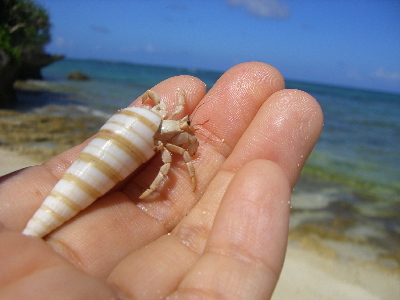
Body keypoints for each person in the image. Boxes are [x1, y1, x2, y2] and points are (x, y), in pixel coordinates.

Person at [0, 62, 323, 299]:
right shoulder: (167, 140)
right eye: (181, 120)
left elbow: (172, 116)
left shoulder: (168, 127)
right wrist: (158, 186)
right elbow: (173, 150)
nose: (183, 122)